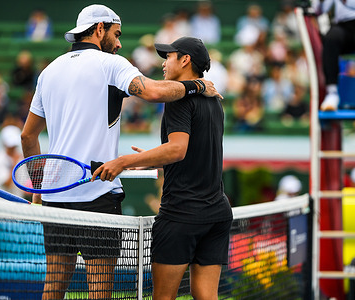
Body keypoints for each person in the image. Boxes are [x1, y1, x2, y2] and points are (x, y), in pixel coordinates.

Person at [19, 4, 221, 300]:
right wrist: (197, 85)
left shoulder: (49, 71)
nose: (119, 42)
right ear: (99, 29)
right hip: (98, 196)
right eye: (116, 34)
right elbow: (154, 92)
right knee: (99, 294)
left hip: (55, 197)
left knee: (53, 290)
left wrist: (38, 186)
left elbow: (28, 136)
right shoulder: (110, 63)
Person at [91, 36, 233, 300]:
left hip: (182, 214)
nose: (164, 63)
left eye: (168, 56)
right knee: (206, 295)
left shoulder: (178, 98)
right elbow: (192, 151)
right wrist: (152, 157)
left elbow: (177, 149)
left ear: (185, 60)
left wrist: (122, 161)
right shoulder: (214, 100)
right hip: (217, 213)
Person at [0, 125, 25, 199]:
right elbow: (7, 184)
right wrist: (15, 164)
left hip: (19, 204)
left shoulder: (21, 158)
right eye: (11, 145)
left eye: (15, 145)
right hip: (1, 204)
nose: (13, 147)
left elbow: (25, 185)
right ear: (4, 143)